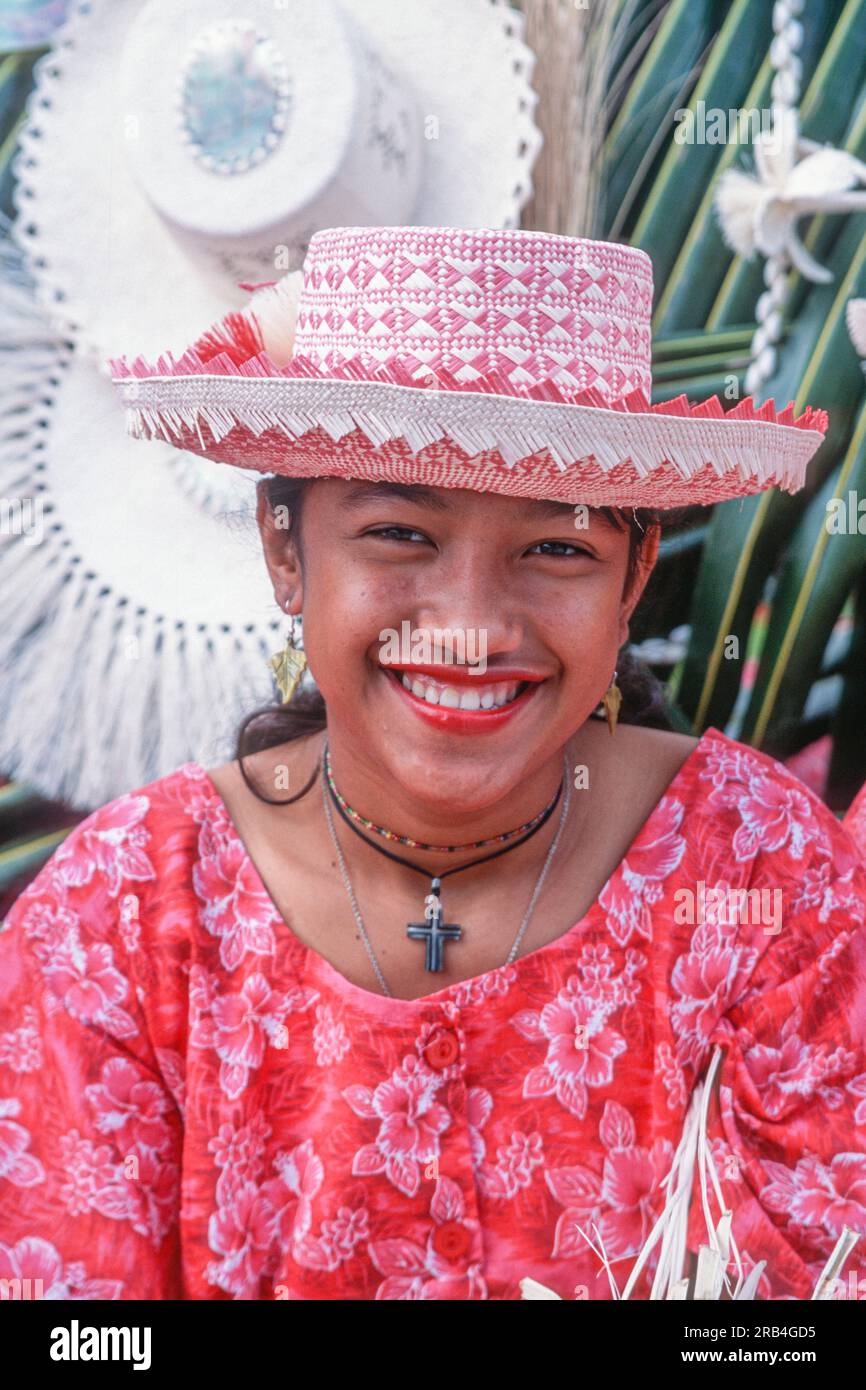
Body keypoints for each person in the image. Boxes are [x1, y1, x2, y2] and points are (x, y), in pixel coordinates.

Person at [1, 225, 864, 1302]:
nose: (468, 626)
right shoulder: (123, 921)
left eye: (557, 548)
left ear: (633, 573)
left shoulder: (759, 875)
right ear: (283, 545)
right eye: (401, 533)